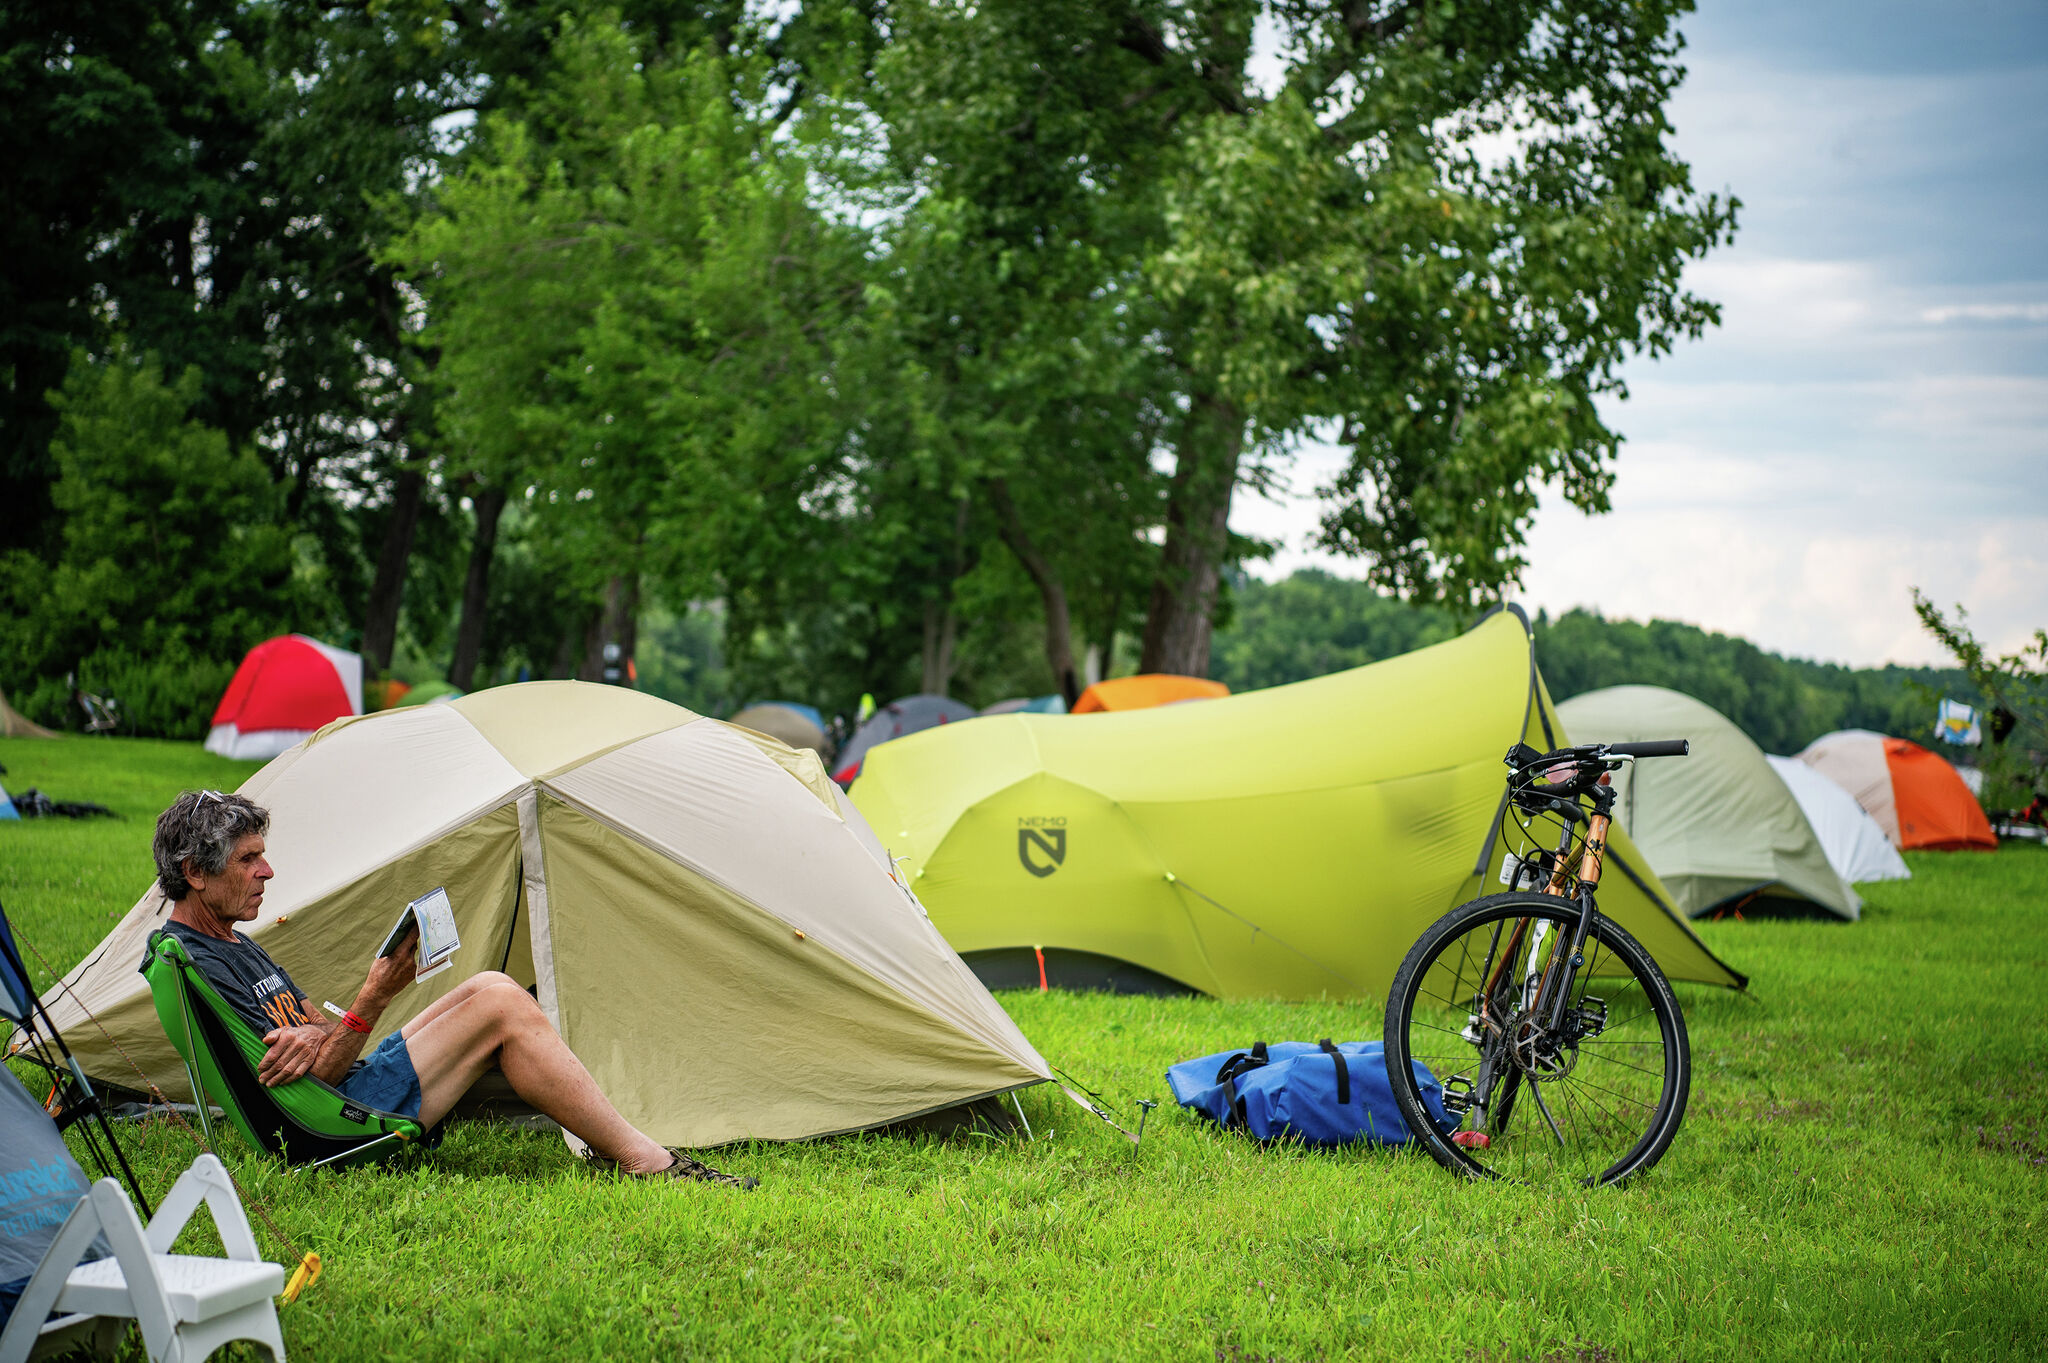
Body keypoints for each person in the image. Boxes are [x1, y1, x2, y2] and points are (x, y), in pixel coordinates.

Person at [143, 789, 754, 1188]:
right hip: (331, 1126)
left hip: (346, 1086)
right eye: (249, 859)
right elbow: (308, 1090)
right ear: (195, 873)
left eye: (263, 855)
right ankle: (648, 1161)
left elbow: (314, 1036)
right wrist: (373, 996)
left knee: (493, 984)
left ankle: (624, 1149)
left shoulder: (231, 940)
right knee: (503, 1007)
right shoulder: (193, 961)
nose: (268, 871)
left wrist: (316, 1031)